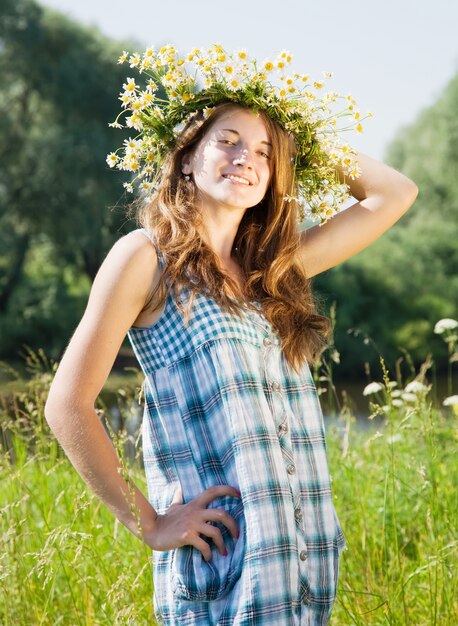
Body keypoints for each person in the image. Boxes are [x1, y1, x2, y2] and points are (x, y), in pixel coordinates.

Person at [45, 45, 418, 625]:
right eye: (228, 140)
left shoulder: (276, 272)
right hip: (223, 565)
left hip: (301, 560)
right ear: (187, 158)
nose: (247, 157)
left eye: (264, 153)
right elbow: (66, 404)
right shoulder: (146, 259)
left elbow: (394, 193)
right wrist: (149, 522)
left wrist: (297, 131)